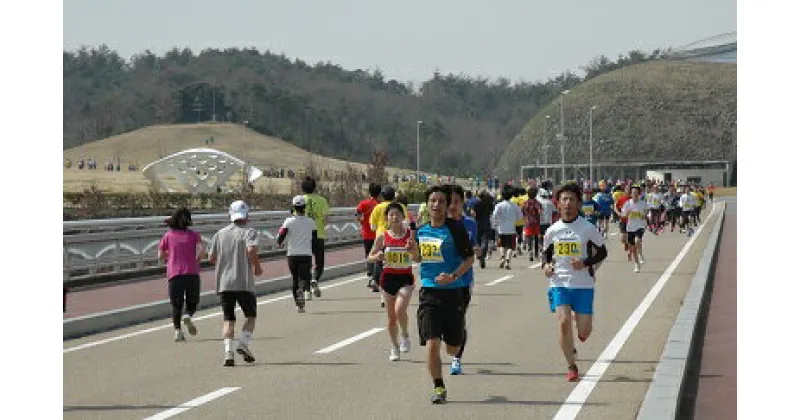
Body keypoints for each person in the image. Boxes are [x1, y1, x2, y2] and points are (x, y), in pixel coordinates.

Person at [412, 185, 475, 404]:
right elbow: (418, 259)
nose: (436, 205)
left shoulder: (455, 229)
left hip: (453, 293)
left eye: (441, 201)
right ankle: (439, 387)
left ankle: (460, 336)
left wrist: (453, 276)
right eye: (432, 201)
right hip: (429, 293)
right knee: (432, 342)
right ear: (427, 205)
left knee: (453, 347)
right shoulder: (421, 231)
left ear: (447, 206)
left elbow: (469, 259)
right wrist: (412, 250)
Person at [542, 182, 608, 382]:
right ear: (558, 204)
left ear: (578, 203)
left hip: (583, 284)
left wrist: (585, 263)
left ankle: (579, 338)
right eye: (564, 199)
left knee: (584, 331)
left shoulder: (587, 228)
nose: (568, 203)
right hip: (559, 282)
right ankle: (571, 366)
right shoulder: (552, 230)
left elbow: (603, 252)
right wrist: (546, 266)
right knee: (563, 322)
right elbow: (546, 254)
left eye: (571, 199)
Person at [208, 200, 263, 367]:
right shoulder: (250, 232)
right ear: (246, 215)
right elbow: (251, 250)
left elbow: (211, 258)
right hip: (243, 282)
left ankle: (228, 353)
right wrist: (257, 266)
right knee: (251, 316)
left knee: (228, 319)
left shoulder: (219, 234)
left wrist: (225, 260)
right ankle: (243, 344)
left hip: (224, 283)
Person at [368, 202, 416, 361]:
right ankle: (394, 347)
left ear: (403, 217)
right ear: (387, 218)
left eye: (397, 214)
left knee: (400, 309)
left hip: (405, 277)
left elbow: (417, 257)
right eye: (391, 215)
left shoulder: (410, 235)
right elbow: (370, 256)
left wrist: (412, 250)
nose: (394, 217)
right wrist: (377, 257)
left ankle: (405, 335)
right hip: (388, 278)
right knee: (391, 318)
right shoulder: (383, 236)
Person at [444, 184, 481, 375]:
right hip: (440, 281)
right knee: (442, 321)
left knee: (458, 320)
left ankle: (457, 359)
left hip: (464, 280)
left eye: (456, 202)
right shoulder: (437, 224)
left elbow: (474, 246)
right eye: (449, 202)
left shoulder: (470, 224)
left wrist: (477, 251)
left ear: (462, 203)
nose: (452, 206)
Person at [158, 207, 206, 342]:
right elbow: (202, 252)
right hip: (192, 272)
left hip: (174, 274)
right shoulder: (194, 235)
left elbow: (160, 256)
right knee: (193, 301)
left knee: (176, 304)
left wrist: (171, 254)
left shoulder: (168, 235)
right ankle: (188, 315)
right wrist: (196, 260)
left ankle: (178, 331)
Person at [277, 196, 317, 313]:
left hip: (292, 254)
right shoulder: (311, 222)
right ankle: (302, 289)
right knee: (304, 278)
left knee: (295, 278)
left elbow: (281, 235)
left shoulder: (288, 221)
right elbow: (314, 238)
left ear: (294, 207)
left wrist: (279, 243)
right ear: (304, 207)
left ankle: (299, 306)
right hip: (306, 254)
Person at [302, 177, 329, 298]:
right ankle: (315, 279)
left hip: (304, 236)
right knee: (319, 263)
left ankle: (306, 291)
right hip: (318, 234)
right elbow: (325, 220)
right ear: (314, 187)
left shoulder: (299, 200)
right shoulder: (322, 200)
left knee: (305, 263)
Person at [491, 186, 523, 270]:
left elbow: (494, 215)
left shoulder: (499, 205)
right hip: (511, 229)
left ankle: (502, 257)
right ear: (511, 196)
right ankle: (508, 260)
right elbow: (520, 216)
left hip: (501, 229)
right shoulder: (514, 206)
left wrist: (495, 223)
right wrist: (514, 219)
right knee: (510, 247)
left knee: (501, 245)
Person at [356, 183, 381, 286]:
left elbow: (358, 214)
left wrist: (362, 222)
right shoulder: (380, 204)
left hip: (366, 233)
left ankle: (371, 274)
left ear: (369, 192)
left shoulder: (363, 204)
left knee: (369, 254)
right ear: (379, 193)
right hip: (378, 235)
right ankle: (375, 277)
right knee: (377, 256)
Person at [621, 185, 649, 272]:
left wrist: (644, 215)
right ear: (631, 194)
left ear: (639, 194)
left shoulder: (643, 203)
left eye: (636, 193)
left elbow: (646, 213)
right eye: (633, 193)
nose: (635, 194)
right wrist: (627, 213)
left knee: (637, 241)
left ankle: (640, 254)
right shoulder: (627, 204)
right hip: (630, 228)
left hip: (640, 226)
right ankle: (637, 264)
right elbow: (623, 215)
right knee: (632, 247)